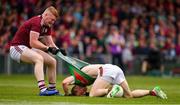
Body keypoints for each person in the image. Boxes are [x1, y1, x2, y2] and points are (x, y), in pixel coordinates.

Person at [9, 6, 66, 96]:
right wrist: (48, 49)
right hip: (17, 48)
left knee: (52, 61)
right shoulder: (37, 22)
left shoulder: (47, 25)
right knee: (39, 59)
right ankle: (43, 90)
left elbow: (50, 43)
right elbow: (33, 42)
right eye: (52, 20)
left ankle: (52, 89)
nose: (53, 22)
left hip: (28, 48)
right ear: (46, 15)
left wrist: (59, 50)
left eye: (54, 21)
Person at [62, 64, 167, 99]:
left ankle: (111, 90)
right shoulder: (86, 77)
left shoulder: (79, 75)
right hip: (116, 69)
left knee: (92, 94)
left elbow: (64, 83)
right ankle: (152, 92)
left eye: (79, 92)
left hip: (106, 70)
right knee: (128, 95)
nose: (83, 92)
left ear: (78, 86)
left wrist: (67, 94)